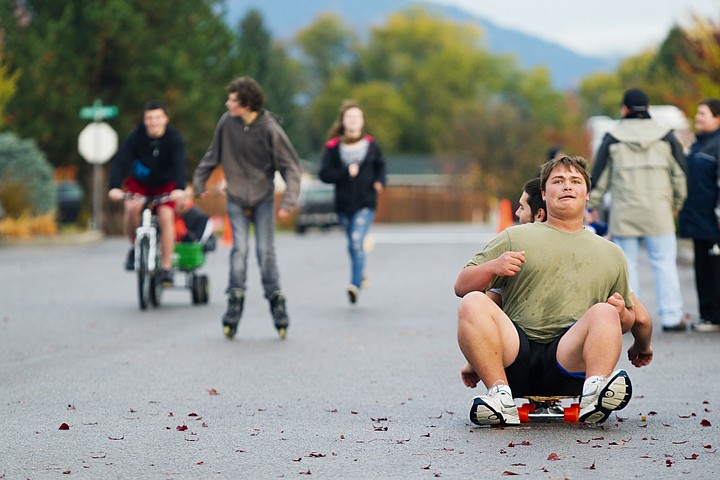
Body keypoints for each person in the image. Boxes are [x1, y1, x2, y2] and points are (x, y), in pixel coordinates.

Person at [455, 155, 649, 426]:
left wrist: (622, 317)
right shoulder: (515, 237)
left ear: (587, 193)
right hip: (515, 360)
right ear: (544, 194)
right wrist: (493, 267)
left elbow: (631, 318)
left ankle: (595, 393)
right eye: (558, 181)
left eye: (575, 181)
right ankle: (499, 397)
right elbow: (461, 286)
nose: (567, 186)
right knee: (473, 301)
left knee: (605, 311)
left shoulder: (611, 253)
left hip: (569, 362)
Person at [193, 76, 302, 339]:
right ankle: (234, 303)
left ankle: (277, 302)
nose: (227, 103)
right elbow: (213, 154)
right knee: (239, 250)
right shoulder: (226, 123)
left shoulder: (270, 129)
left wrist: (288, 201)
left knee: (265, 252)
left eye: (232, 100)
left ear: (247, 103)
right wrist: (198, 182)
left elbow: (291, 166)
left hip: (263, 197)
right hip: (236, 197)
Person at [588, 88, 687, 332]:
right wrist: (675, 205)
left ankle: (631, 317)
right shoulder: (666, 137)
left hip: (625, 214)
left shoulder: (612, 138)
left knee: (627, 266)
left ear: (624, 109)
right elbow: (680, 176)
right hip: (659, 213)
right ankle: (672, 317)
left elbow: (599, 179)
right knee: (665, 262)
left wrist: (591, 206)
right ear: (649, 108)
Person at [108, 101, 187, 286]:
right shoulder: (136, 137)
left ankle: (167, 267)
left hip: (165, 185)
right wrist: (114, 186)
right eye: (149, 118)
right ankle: (136, 247)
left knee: (166, 216)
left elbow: (179, 165)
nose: (153, 122)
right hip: (140, 184)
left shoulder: (174, 139)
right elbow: (120, 160)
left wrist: (180, 188)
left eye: (158, 117)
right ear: (144, 120)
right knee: (131, 208)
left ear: (165, 119)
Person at [319, 100, 386, 304]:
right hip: (343, 205)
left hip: (366, 202)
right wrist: (345, 173)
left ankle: (354, 285)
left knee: (356, 241)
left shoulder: (372, 145)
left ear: (362, 121)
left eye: (357, 117)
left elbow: (381, 166)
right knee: (352, 244)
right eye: (349, 117)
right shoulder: (332, 147)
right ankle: (361, 272)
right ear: (343, 121)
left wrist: (379, 181)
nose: (353, 121)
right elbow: (324, 174)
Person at [679, 98, 720, 332]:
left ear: (717, 117)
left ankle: (714, 316)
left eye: (703, 113)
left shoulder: (717, 144)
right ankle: (708, 314)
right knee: (703, 268)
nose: (698, 117)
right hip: (698, 218)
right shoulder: (698, 144)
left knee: (714, 270)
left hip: (713, 220)